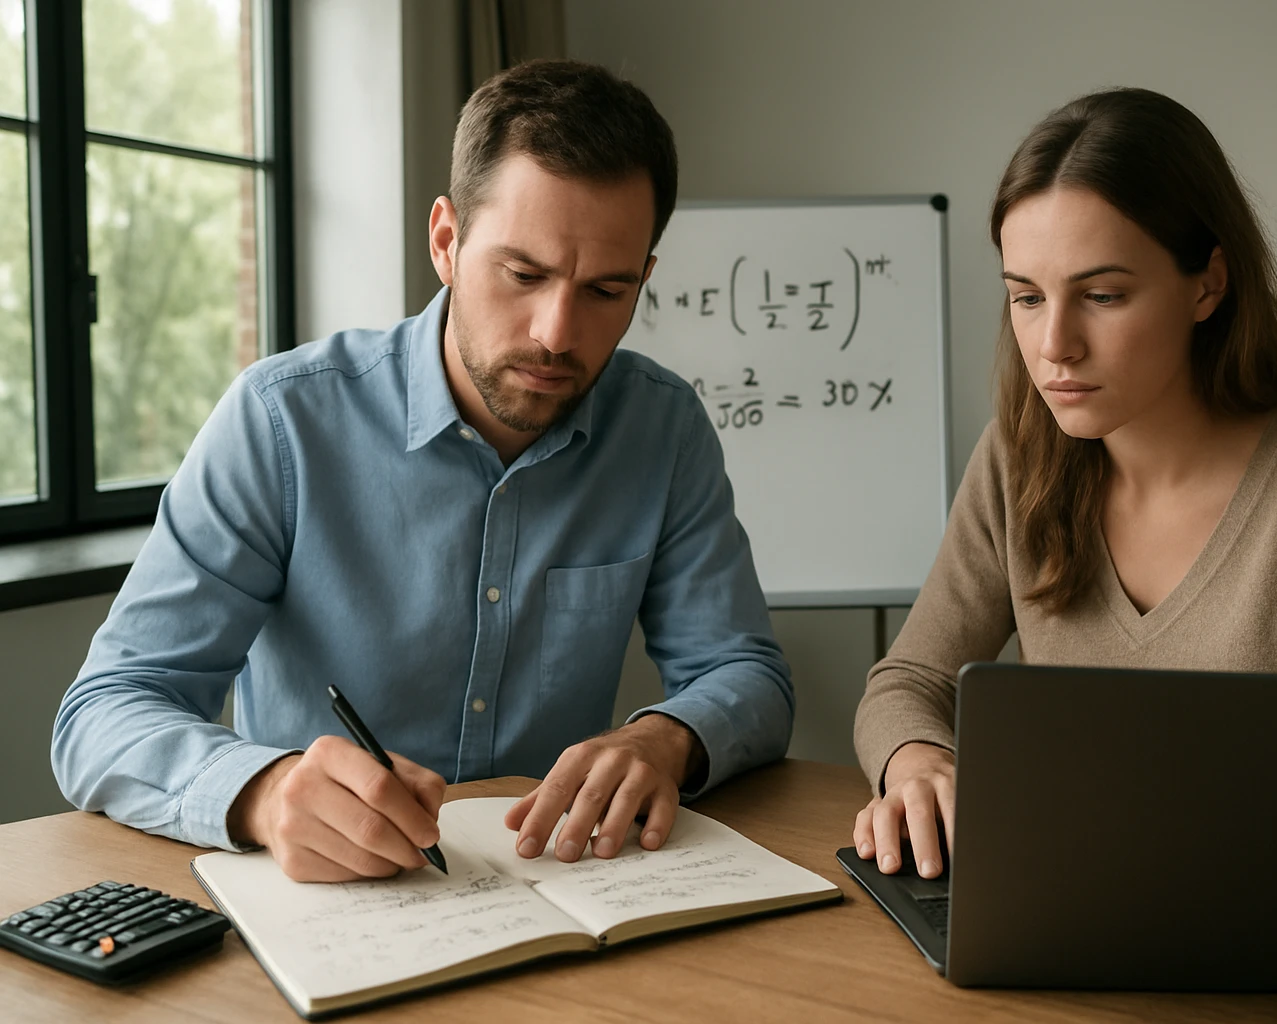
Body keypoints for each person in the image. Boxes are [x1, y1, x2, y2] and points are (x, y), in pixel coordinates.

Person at [52, 59, 794, 882]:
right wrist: (263, 792)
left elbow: (746, 673)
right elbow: (102, 713)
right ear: (446, 241)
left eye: (606, 290)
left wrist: (666, 737)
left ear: (644, 279)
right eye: (524, 274)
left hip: (561, 896)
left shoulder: (663, 428)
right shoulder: (281, 422)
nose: (557, 332)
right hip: (331, 909)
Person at [851, 87, 1277, 877]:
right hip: (1080, 926)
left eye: (1102, 296)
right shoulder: (1017, 453)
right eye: (1026, 298)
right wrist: (917, 762)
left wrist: (1196, 811)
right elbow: (907, 681)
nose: (1054, 346)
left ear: (1208, 284)